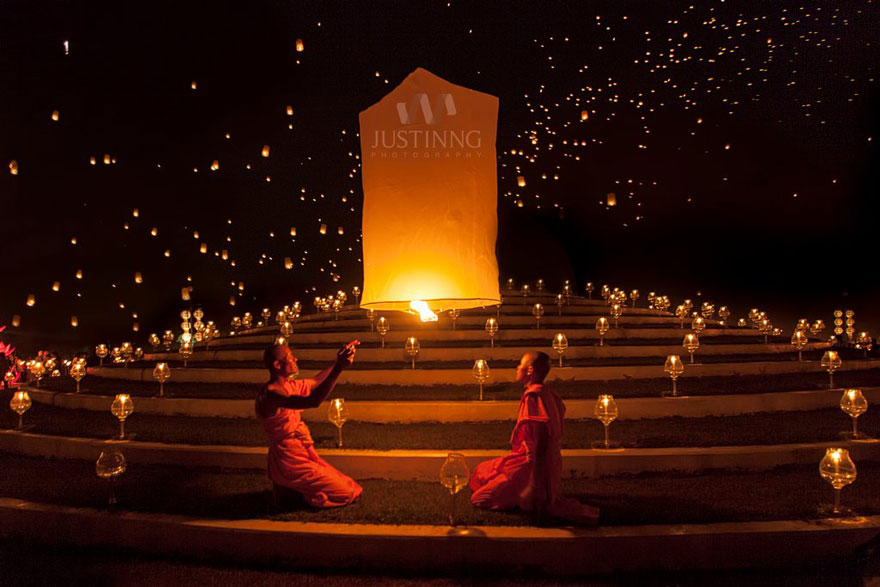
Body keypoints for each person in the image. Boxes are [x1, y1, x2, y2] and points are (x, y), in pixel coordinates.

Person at [469, 351, 599, 525]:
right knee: (480, 473)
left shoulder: (534, 396)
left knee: (479, 498)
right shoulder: (546, 393)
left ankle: (524, 495)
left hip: (535, 465)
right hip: (542, 460)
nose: (517, 367)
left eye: (520, 364)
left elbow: (542, 442)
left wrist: (533, 485)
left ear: (530, 370)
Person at [256, 340, 363, 509]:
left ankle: (292, 491)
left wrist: (339, 362)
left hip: (301, 455)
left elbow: (315, 382)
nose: (295, 359)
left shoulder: (289, 386)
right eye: (290, 357)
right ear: (277, 365)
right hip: (289, 462)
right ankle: (298, 492)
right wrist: (339, 367)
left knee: (351, 485)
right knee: (348, 493)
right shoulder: (270, 394)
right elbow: (313, 401)